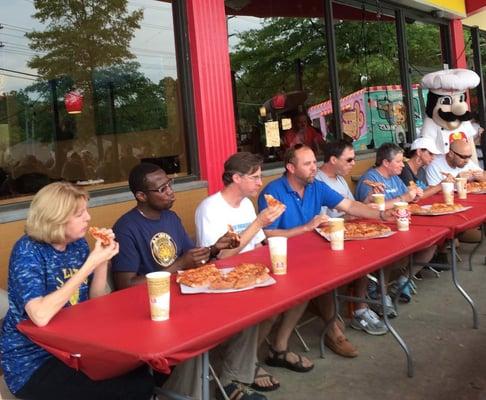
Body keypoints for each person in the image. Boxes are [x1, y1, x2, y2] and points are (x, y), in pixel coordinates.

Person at [111, 162, 264, 400]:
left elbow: (192, 261)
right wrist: (179, 265)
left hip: (187, 295)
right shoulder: (126, 228)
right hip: (152, 310)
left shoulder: (170, 217)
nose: (171, 191)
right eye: (162, 189)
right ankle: (182, 394)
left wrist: (214, 249)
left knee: (247, 314)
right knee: (197, 340)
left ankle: (231, 383)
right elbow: (125, 287)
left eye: (170, 184)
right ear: (141, 195)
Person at [0, 182, 154, 400]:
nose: (88, 218)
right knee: (128, 388)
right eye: (79, 214)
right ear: (57, 218)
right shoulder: (27, 251)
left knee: (140, 371)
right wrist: (88, 265)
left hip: (74, 349)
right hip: (33, 362)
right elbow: (40, 315)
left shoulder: (78, 245)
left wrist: (101, 262)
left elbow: (96, 302)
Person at [257, 144, 395, 359]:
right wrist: (304, 228)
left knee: (354, 261)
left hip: (315, 251)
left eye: (314, 162)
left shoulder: (316, 187)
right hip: (282, 258)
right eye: (307, 164)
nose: (314, 168)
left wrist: (381, 215)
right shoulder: (273, 192)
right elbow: (265, 237)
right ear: (291, 168)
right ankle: (333, 330)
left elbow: (349, 206)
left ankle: (335, 319)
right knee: (321, 277)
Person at [195, 152, 286, 392]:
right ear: (236, 178)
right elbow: (219, 258)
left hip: (248, 275)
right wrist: (259, 222)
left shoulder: (246, 203)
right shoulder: (210, 208)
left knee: (282, 301)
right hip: (221, 281)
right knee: (257, 312)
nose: (260, 182)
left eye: (260, 176)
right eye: (254, 177)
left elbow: (256, 246)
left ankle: (246, 363)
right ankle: (231, 378)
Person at [316, 140, 387, 336]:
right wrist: (353, 215)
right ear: (332, 159)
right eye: (349, 159)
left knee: (379, 250)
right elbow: (322, 222)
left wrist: (368, 200)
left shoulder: (339, 179)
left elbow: (351, 207)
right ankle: (360, 308)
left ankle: (369, 299)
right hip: (329, 239)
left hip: (350, 233)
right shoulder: (318, 182)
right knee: (365, 257)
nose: (353, 163)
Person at [356, 143, 436, 305]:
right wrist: (403, 199)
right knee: (393, 252)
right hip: (375, 228)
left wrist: (414, 196)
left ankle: (402, 279)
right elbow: (367, 209)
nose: (402, 165)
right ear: (386, 163)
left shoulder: (394, 178)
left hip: (398, 223)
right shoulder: (370, 179)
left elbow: (406, 199)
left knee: (431, 241)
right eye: (399, 161)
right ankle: (378, 290)